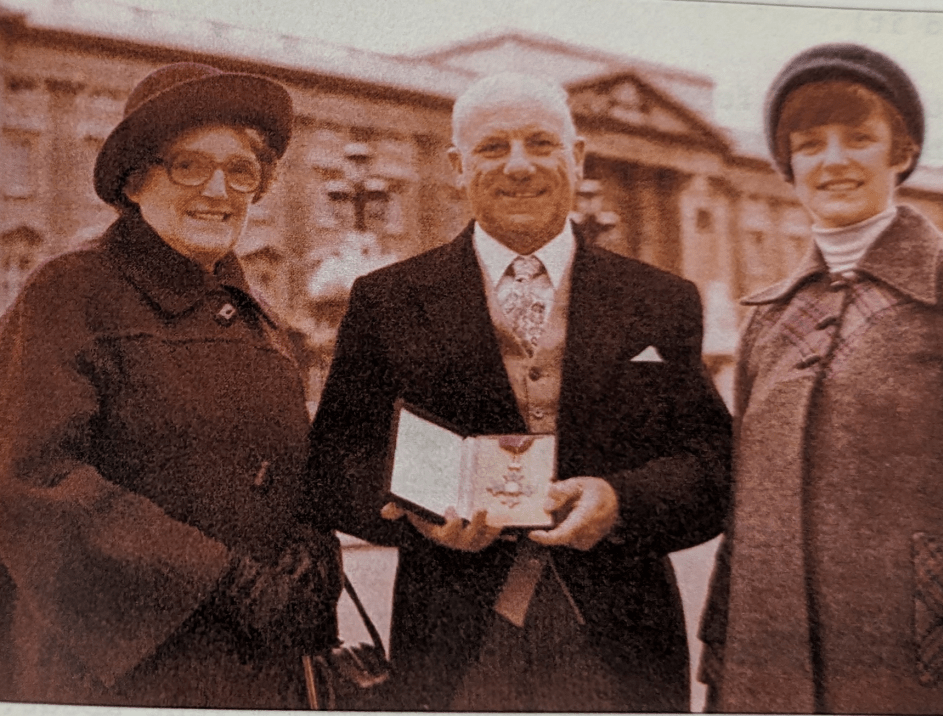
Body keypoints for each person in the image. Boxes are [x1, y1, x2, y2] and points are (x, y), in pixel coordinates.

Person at [307, 72, 732, 712]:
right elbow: (335, 464)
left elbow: (713, 466)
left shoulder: (659, 301)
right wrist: (420, 517)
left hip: (620, 647)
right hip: (455, 646)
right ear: (456, 165)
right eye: (491, 147)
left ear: (577, 156)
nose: (518, 166)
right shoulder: (388, 299)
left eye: (540, 143)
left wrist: (621, 502)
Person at [0, 62, 342, 708]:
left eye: (241, 170)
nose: (220, 188)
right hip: (120, 675)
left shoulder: (258, 317)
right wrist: (220, 580)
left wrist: (311, 554)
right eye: (189, 165)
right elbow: (32, 476)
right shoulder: (71, 292)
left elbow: (290, 471)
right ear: (135, 179)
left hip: (256, 671)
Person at [699, 43, 943, 714]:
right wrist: (724, 667)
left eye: (858, 138)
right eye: (809, 144)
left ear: (899, 153)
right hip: (767, 683)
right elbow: (744, 510)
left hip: (918, 674)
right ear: (788, 166)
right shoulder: (768, 318)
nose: (833, 160)